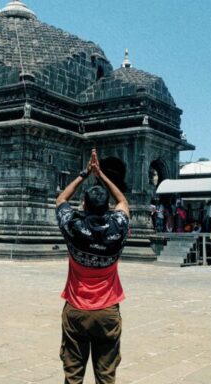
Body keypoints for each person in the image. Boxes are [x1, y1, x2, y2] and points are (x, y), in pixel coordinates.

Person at [56, 149, 130, 384]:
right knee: (106, 375)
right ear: (107, 208)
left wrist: (85, 173)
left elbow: (61, 201)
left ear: (85, 206)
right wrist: (101, 175)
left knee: (73, 375)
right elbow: (122, 201)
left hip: (76, 309)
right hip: (108, 310)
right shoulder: (118, 229)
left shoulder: (74, 228)